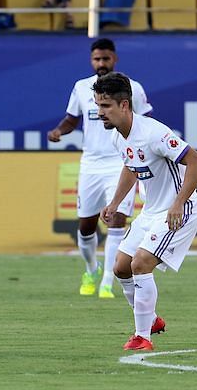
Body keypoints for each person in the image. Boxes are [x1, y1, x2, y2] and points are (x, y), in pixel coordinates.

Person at [97, 72, 197, 351]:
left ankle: (142, 336)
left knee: (140, 264)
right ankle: (152, 319)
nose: (100, 113)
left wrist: (178, 203)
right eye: (98, 105)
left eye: (106, 106)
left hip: (180, 210)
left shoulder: (154, 133)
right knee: (121, 268)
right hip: (151, 211)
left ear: (124, 105)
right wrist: (114, 202)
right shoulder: (118, 138)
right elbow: (130, 168)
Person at [47, 38, 153, 299]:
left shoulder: (133, 88)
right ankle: (91, 269)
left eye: (106, 58)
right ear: (91, 61)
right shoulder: (82, 88)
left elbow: (146, 120)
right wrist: (59, 131)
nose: (101, 63)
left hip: (121, 162)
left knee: (117, 220)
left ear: (114, 59)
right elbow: (72, 119)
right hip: (91, 165)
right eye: (97, 59)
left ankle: (107, 281)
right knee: (86, 227)